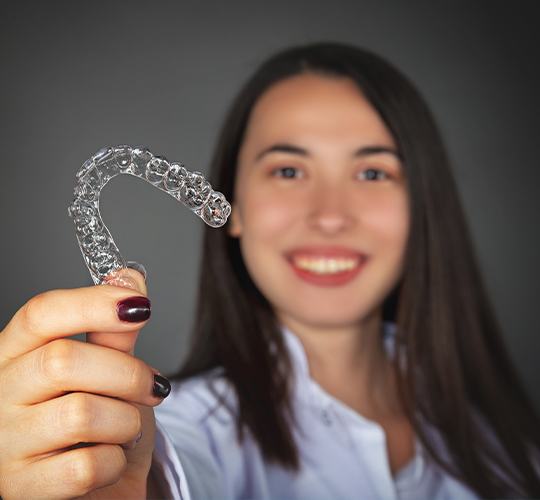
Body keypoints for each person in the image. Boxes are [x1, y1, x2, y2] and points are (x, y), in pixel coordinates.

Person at [0, 42, 538, 500]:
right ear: (233, 208)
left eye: (372, 171)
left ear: (424, 204)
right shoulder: (187, 433)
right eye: (288, 170)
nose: (329, 215)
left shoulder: (505, 441)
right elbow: (167, 472)